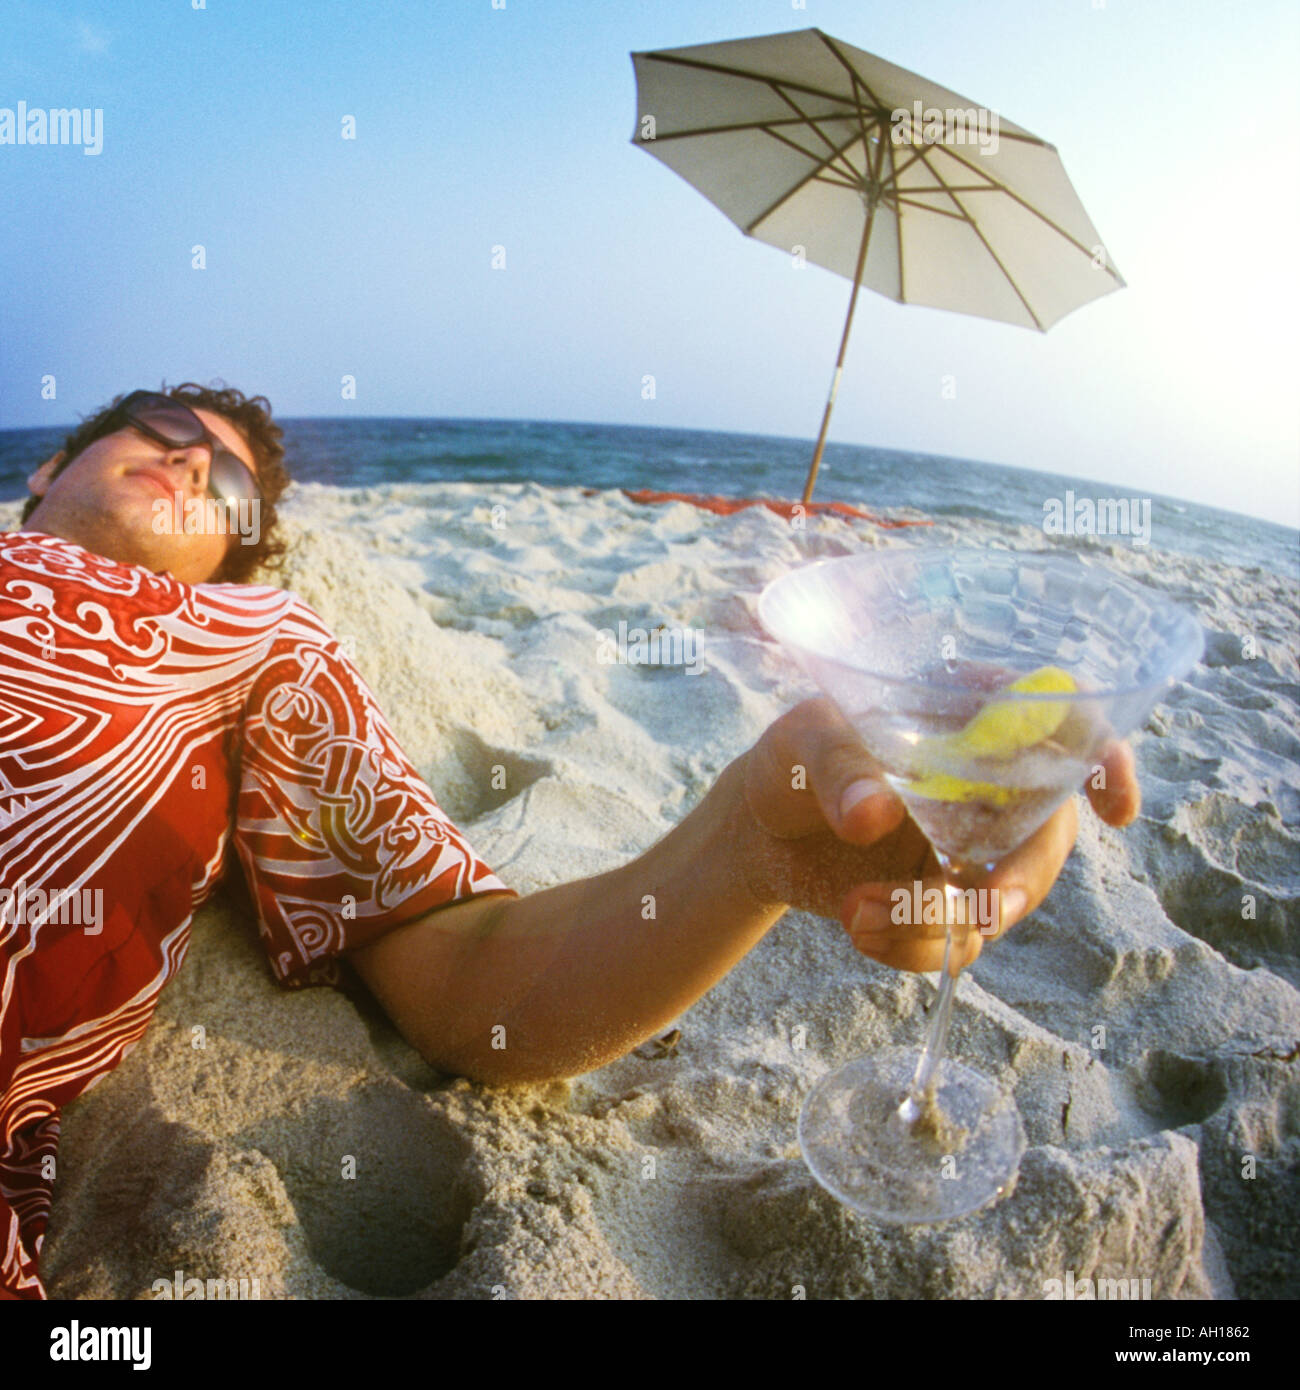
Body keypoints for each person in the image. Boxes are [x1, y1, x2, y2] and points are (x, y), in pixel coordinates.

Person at [0, 382, 1140, 1300]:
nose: (191, 459)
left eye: (230, 475)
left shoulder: (257, 647)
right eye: (150, 432)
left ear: (245, 552)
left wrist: (750, 836)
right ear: (48, 468)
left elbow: (474, 982)